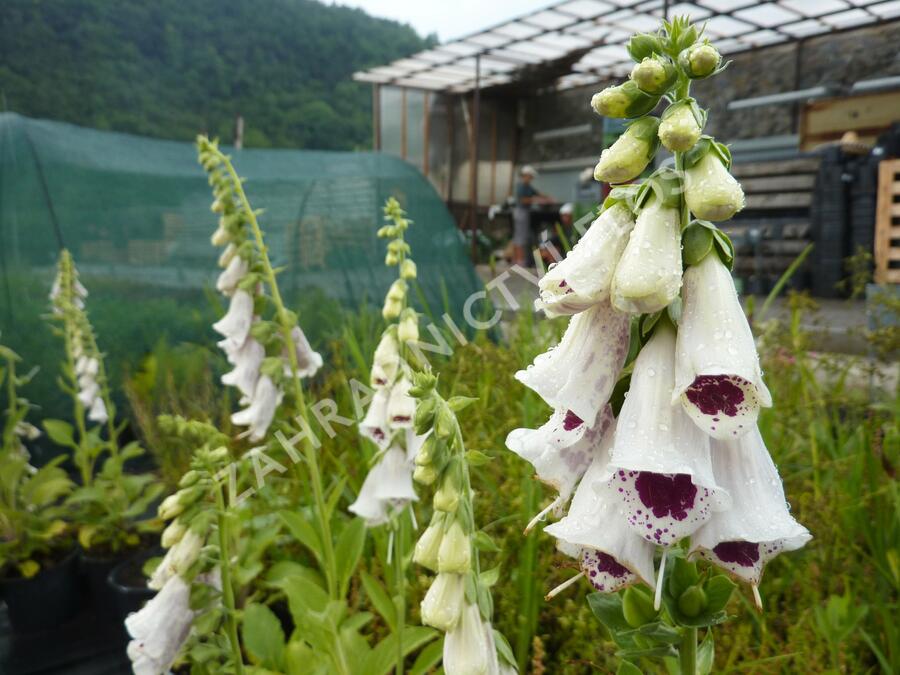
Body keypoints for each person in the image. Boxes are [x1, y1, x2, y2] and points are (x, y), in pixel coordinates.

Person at [512, 165, 552, 266]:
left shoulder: (527, 186)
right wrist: (537, 200)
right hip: (521, 212)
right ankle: (519, 261)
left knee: (521, 236)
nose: (531, 179)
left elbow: (536, 193)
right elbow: (523, 200)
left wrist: (547, 197)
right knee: (520, 237)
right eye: (530, 177)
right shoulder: (521, 185)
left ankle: (519, 260)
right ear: (525, 175)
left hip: (525, 212)